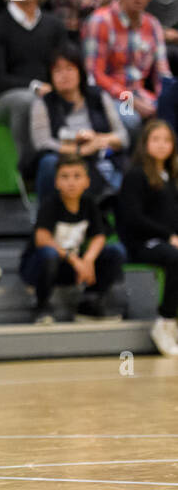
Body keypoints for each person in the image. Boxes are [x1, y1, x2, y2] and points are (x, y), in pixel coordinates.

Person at [20, 154, 125, 323]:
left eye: (77, 176)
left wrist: (89, 260)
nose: (71, 182)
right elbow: (42, 239)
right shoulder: (50, 204)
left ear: (87, 181)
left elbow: (99, 236)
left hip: (70, 268)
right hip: (39, 267)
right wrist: (76, 260)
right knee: (49, 254)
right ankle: (41, 305)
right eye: (65, 176)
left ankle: (89, 303)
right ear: (56, 182)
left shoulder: (89, 204)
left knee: (116, 252)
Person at [0, 0, 65, 170]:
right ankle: (28, 168)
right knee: (28, 100)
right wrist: (36, 87)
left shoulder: (54, 25)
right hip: (5, 99)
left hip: (50, 92)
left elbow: (65, 64)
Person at [28, 47, 128, 201]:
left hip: (101, 156)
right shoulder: (43, 104)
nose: (64, 75)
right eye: (58, 71)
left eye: (70, 68)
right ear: (50, 76)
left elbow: (122, 136)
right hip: (64, 161)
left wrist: (98, 140)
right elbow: (42, 143)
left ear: (80, 71)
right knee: (49, 163)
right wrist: (80, 150)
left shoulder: (98, 96)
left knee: (131, 169)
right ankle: (47, 217)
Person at [83, 0, 172, 139]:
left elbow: (163, 74)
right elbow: (95, 74)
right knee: (131, 119)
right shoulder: (100, 21)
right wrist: (132, 101)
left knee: (170, 116)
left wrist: (165, 103)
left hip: (140, 92)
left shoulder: (153, 25)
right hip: (110, 96)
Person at [117, 119, 178, 356]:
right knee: (175, 258)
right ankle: (165, 322)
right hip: (142, 242)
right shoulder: (135, 176)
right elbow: (133, 218)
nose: (162, 145)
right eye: (156, 139)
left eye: (167, 140)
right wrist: (168, 235)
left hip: (168, 240)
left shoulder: (171, 177)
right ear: (145, 143)